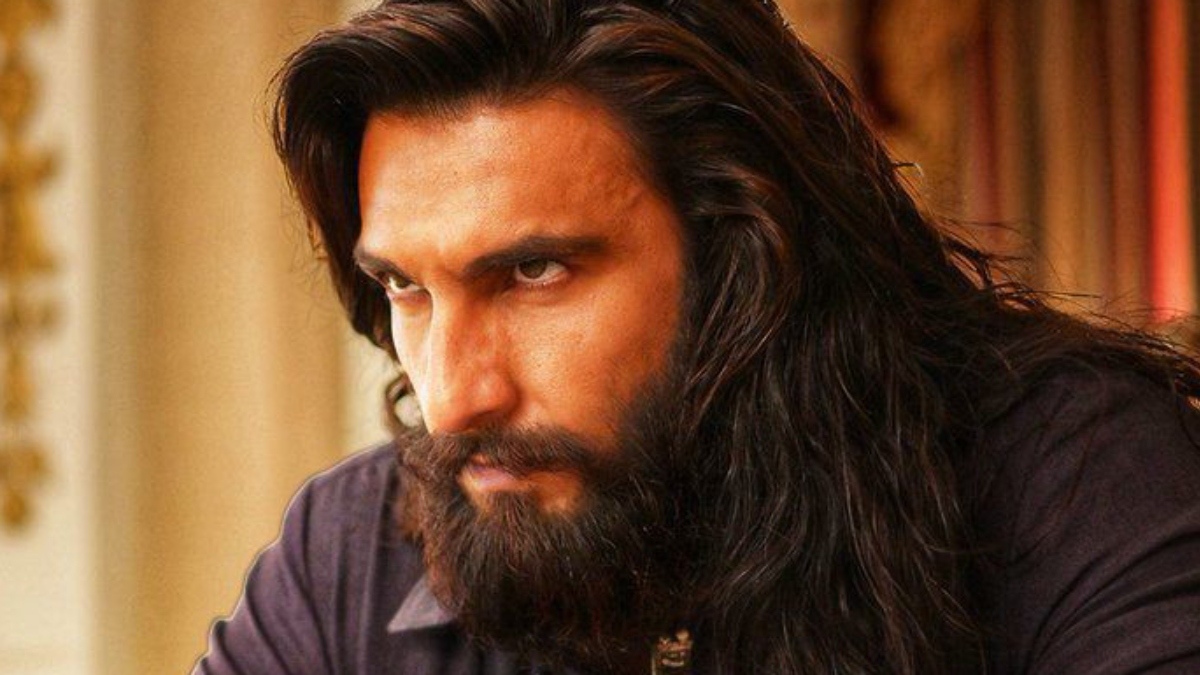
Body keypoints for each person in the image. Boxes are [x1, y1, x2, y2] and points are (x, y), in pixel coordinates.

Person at [194, 1, 1200, 673]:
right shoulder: (347, 558)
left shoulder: (1075, 482)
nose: (454, 400)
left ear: (745, 255)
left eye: (534, 273)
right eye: (407, 288)